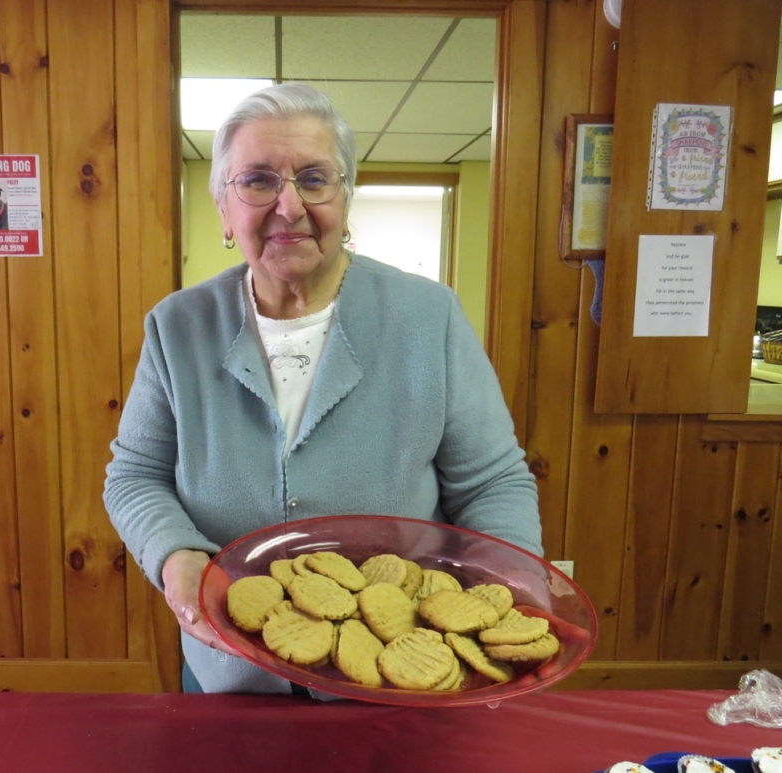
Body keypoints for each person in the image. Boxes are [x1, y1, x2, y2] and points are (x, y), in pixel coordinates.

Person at [103, 82, 542, 695]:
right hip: (233, 666)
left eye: (314, 179)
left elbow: (493, 483)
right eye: (258, 181)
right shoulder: (178, 327)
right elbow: (134, 474)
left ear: (345, 198)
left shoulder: (429, 317)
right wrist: (175, 555)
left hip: (405, 675)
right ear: (224, 210)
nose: (289, 206)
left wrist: (498, 610)